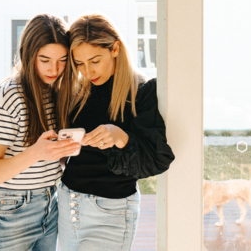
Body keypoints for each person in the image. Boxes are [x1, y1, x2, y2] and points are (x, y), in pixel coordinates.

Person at [58, 13, 175, 251]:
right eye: (79, 63)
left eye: (95, 60)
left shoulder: (141, 92)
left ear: (115, 48)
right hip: (68, 201)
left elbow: (157, 161)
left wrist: (121, 137)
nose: (87, 71)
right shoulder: (76, 92)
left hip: (112, 210)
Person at [0, 14, 80, 251]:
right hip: (12, 210)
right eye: (44, 59)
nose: (54, 69)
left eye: (62, 60)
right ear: (28, 54)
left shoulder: (55, 91)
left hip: (49, 203)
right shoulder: (9, 96)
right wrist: (36, 152)